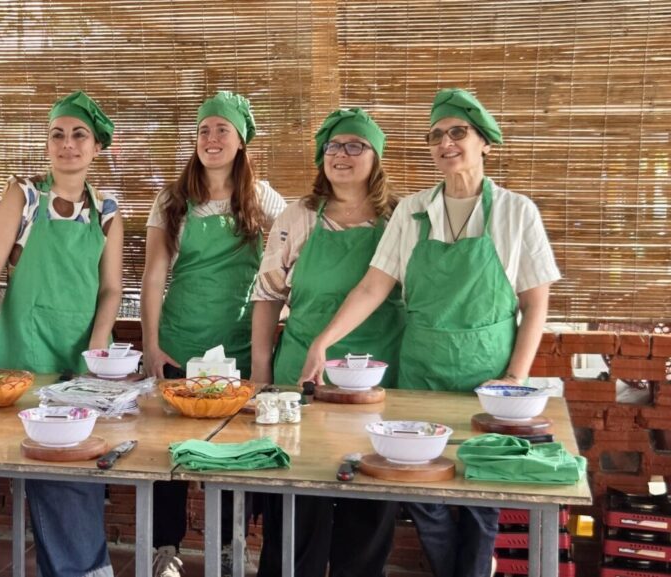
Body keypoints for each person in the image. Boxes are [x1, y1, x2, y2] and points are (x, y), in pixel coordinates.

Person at [300, 89, 560, 577]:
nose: (446, 142)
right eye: (436, 135)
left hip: (488, 381)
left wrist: (514, 378)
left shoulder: (515, 211)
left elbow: (535, 301)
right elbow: (374, 286)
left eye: (457, 132)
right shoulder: (413, 211)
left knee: (480, 499)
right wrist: (322, 341)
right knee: (424, 496)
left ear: (485, 142)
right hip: (419, 375)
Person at [0, 90, 122, 577]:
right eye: (57, 134)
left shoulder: (108, 211)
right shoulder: (23, 196)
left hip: (82, 357)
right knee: (52, 467)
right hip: (25, 352)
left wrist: (99, 339)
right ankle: (88, 570)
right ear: (46, 145)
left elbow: (111, 289)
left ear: (96, 148)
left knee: (80, 463)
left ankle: (81, 568)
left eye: (79, 135)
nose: (67, 144)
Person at [251, 108, 403, 577]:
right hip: (301, 376)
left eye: (356, 145)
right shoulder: (297, 217)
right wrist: (261, 374)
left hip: (376, 385)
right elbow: (267, 295)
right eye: (334, 146)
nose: (342, 155)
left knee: (368, 511)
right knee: (296, 512)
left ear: (376, 156)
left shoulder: (399, 219)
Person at [140, 90, 285, 577]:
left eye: (222, 129)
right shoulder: (173, 200)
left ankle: (229, 546)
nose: (211, 138)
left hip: (240, 347)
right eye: (204, 129)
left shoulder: (263, 199)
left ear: (241, 141)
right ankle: (166, 549)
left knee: (231, 455)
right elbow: (155, 276)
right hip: (181, 342)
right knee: (170, 457)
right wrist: (151, 344)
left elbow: (286, 266)